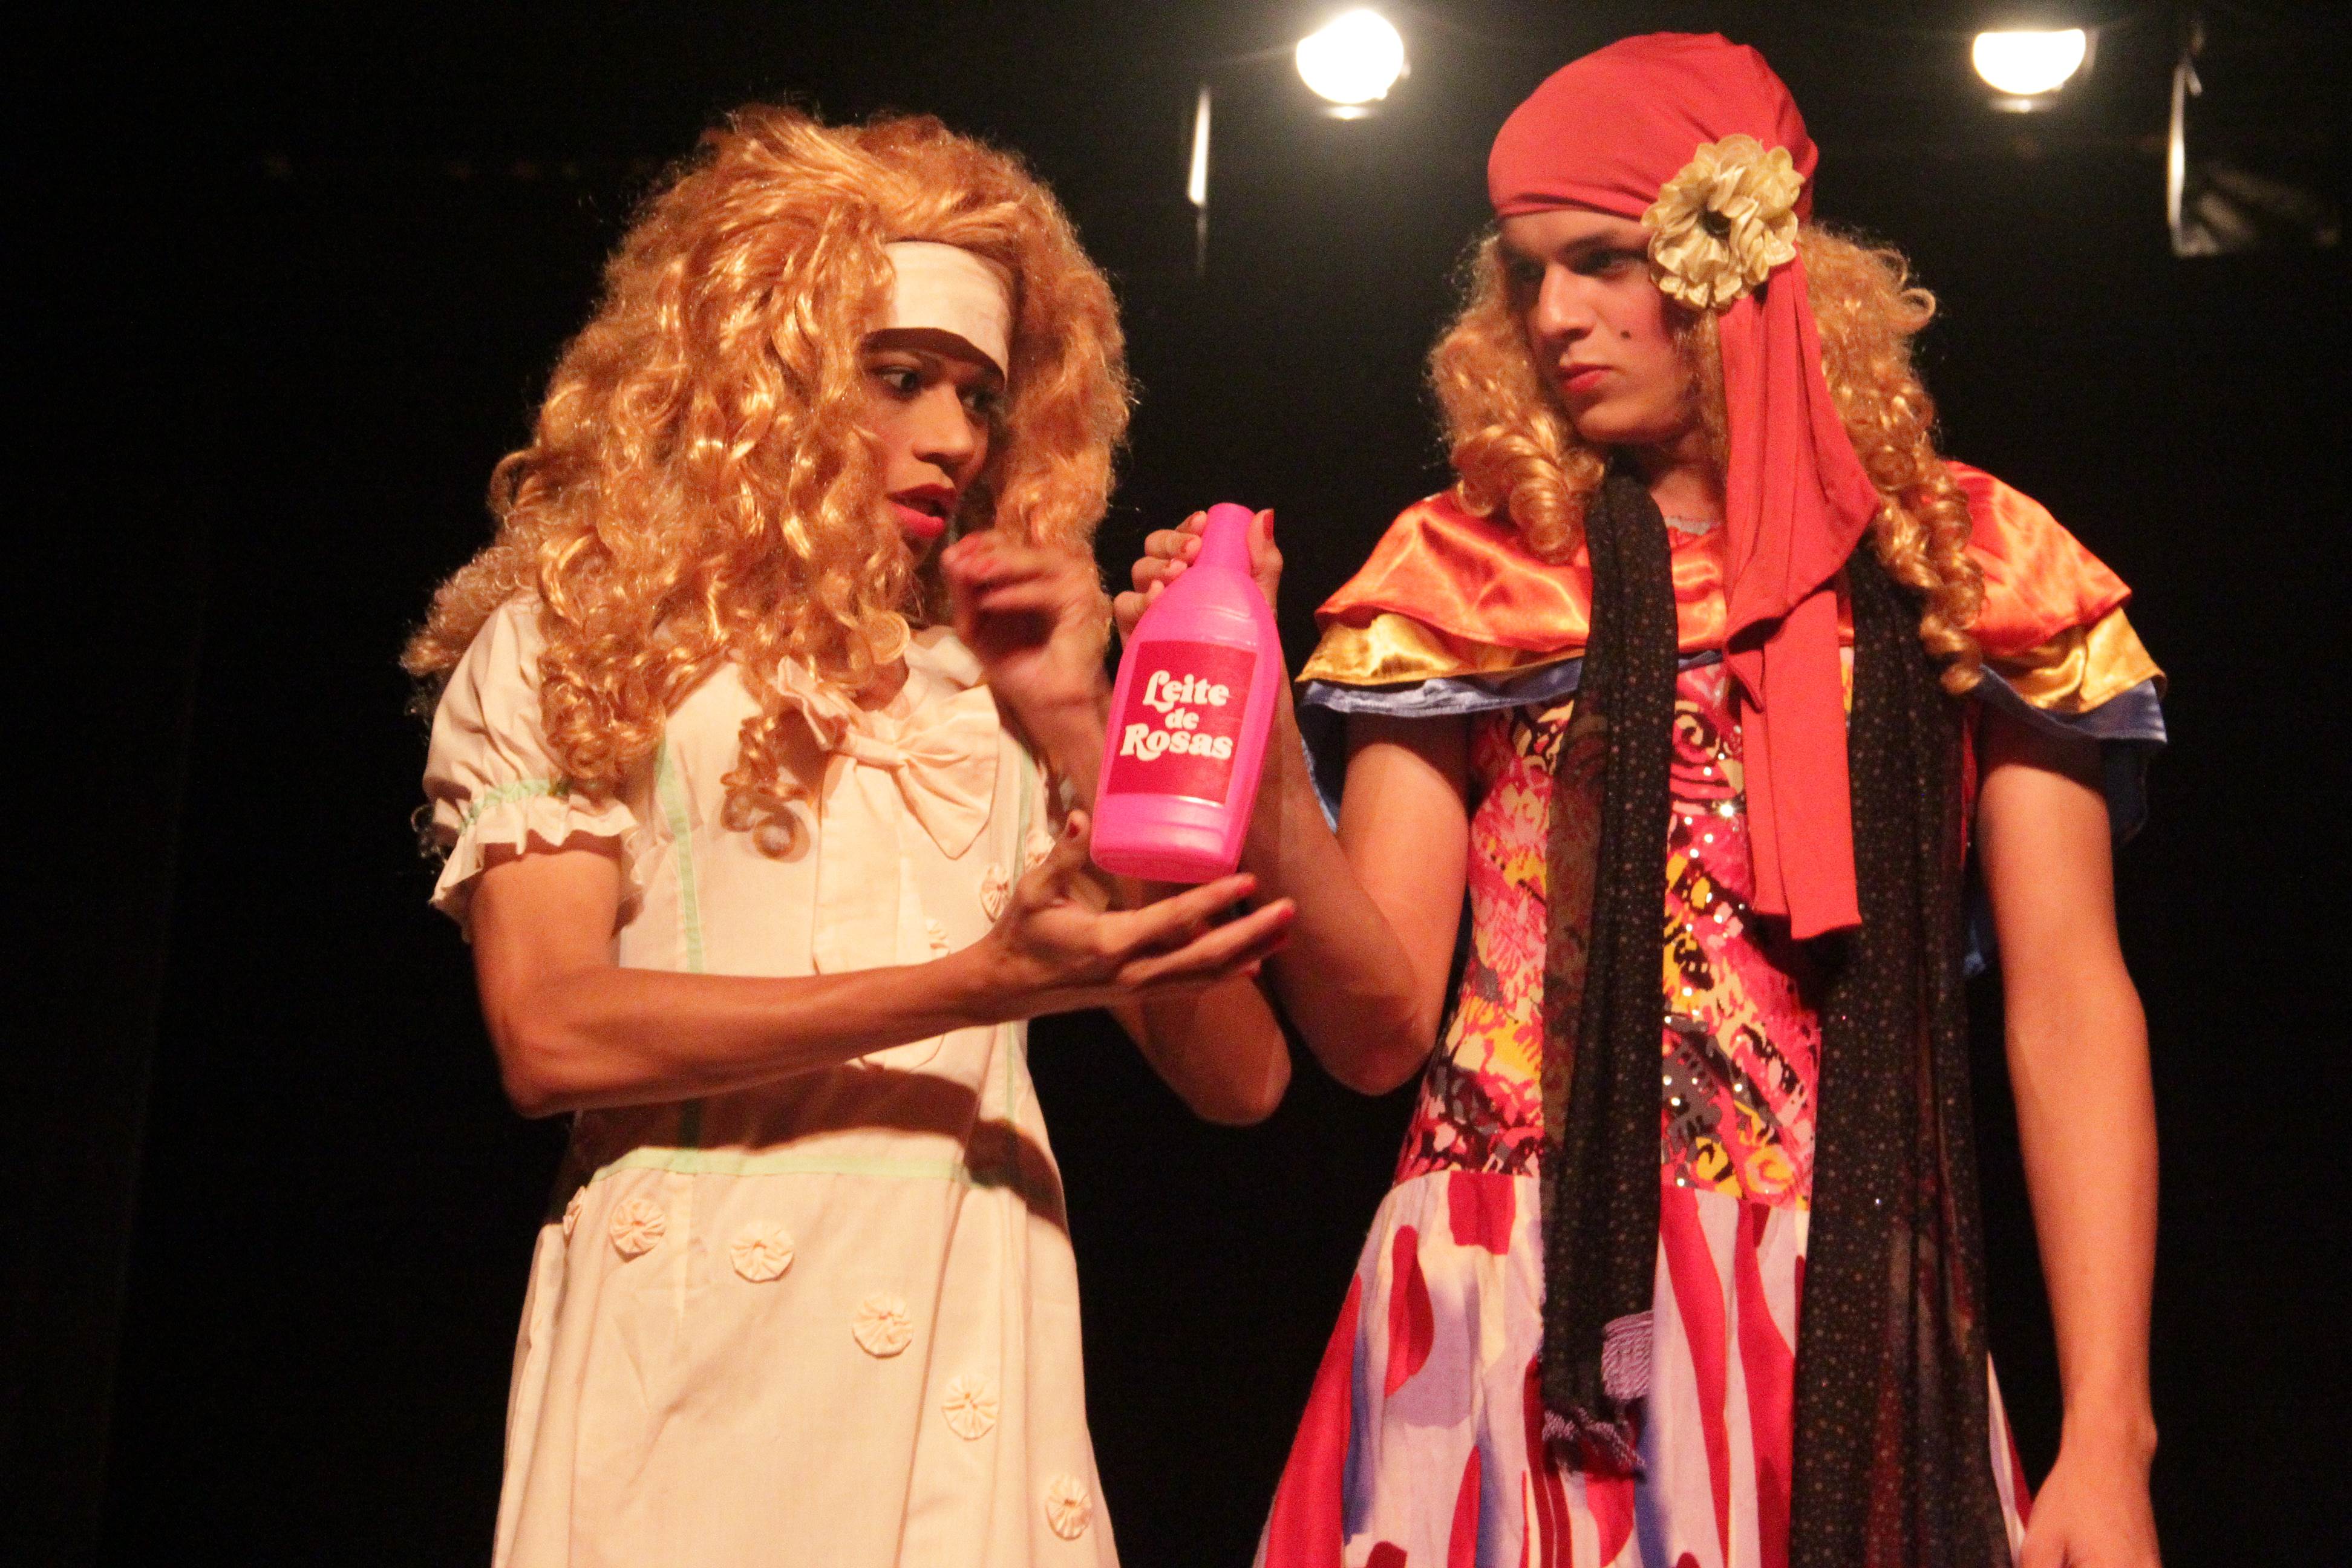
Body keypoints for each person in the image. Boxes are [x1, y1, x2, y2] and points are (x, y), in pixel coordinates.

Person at [1119, 33, 2163, 1568]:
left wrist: (2109, 1433)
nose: (1555, 316)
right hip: (1508, 1294)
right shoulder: (1471, 571)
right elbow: (1375, 1031)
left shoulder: (1970, 568)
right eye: (1529, 273)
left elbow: (2068, 1004)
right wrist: (1267, 753)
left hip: (1847, 1310)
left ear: (1744, 260)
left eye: (1604, 261)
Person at [407, 107, 1291, 1567]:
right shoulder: (580, 645)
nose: (955, 438)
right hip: (697, 1346)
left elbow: (1243, 1077)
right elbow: (550, 1033)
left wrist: (1084, 727)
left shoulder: (997, 689)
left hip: (969, 1323)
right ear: (766, 369)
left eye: (981, 396)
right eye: (901, 378)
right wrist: (973, 986)